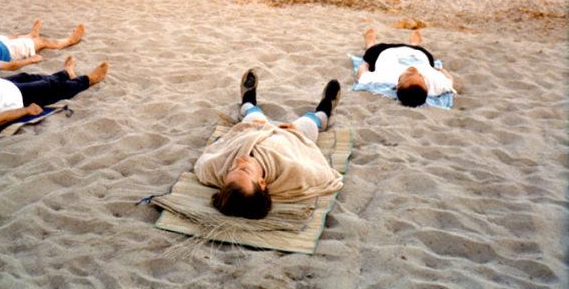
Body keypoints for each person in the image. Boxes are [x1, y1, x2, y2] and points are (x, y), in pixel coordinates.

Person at [193, 70, 344, 220]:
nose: (238, 161)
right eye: (244, 169)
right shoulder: (293, 170)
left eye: (232, 169)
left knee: (253, 115)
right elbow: (326, 176)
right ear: (262, 182)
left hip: (255, 128)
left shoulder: (216, 172)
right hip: (291, 136)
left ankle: (248, 101)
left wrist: (228, 139)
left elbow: (202, 165)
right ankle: (324, 110)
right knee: (309, 124)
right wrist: (294, 133)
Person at [355, 28, 455, 107]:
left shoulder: (385, 79)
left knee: (370, 53)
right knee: (429, 58)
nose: (413, 69)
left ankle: (370, 44)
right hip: (417, 52)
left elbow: (361, 75)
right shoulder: (435, 85)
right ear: (425, 85)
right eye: (420, 76)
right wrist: (442, 71)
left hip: (385, 50)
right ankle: (414, 44)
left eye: (409, 74)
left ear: (398, 85)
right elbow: (450, 82)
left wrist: (365, 64)